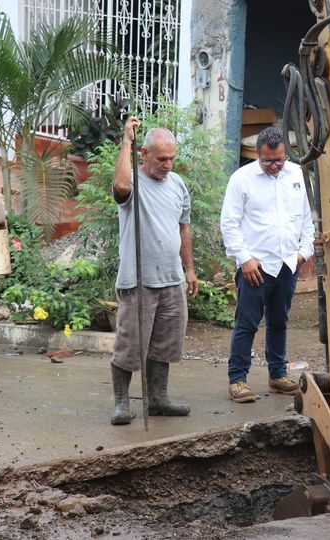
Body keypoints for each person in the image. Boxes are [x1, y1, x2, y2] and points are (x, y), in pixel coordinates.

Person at [109, 117, 199, 425]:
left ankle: (158, 399)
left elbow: (184, 228)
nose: (168, 164)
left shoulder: (177, 184)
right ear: (144, 153)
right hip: (140, 280)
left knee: (165, 343)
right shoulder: (133, 180)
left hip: (171, 278)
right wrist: (126, 142)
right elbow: (120, 186)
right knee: (130, 344)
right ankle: (122, 403)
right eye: (162, 158)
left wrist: (189, 269)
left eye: (172, 157)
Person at [220, 126, 315, 403]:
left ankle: (277, 374)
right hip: (255, 266)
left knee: (279, 321)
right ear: (257, 154)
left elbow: (307, 219)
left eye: (279, 160)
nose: (274, 166)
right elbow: (229, 223)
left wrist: (303, 252)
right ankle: (237, 380)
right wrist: (244, 259)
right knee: (246, 323)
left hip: (287, 264)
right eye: (267, 161)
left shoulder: (297, 175)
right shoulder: (242, 179)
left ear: (286, 154)